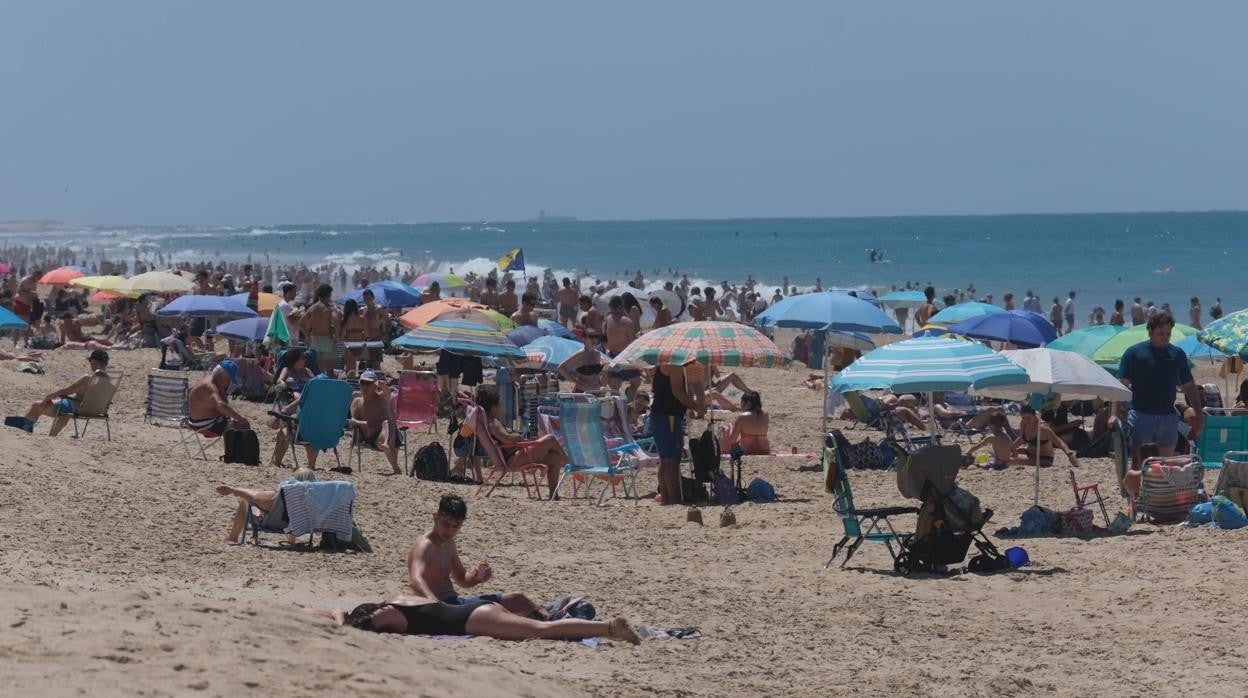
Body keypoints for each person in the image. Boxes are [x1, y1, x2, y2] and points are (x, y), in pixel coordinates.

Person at [407, 495, 544, 617]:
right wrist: (437, 607)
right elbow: (416, 579)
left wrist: (476, 577)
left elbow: (461, 579)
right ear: (435, 517)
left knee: (518, 599)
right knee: (496, 612)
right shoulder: (425, 545)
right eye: (445, 524)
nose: (450, 530)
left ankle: (547, 618)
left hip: (455, 603)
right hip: (438, 608)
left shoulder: (449, 544)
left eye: (456, 526)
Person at [309, 593, 640, 644]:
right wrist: (339, 613)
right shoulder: (395, 600)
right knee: (539, 625)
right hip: (475, 608)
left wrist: (340, 620)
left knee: (541, 630)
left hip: (471, 622)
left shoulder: (383, 619)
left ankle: (610, 627)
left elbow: (356, 631)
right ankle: (608, 626)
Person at [1111, 311, 1203, 468]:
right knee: (1140, 463)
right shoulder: (1134, 353)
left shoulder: (1177, 354)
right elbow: (1121, 385)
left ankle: (1160, 492)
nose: (1165, 336)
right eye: (1160, 333)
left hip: (1168, 417)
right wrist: (1113, 414)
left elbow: (1189, 387)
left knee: (1165, 465)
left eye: (1168, 333)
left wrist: (1199, 416)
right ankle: (1138, 492)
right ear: (1150, 332)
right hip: (1141, 416)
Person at [478, 387, 565, 495]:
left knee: (554, 458)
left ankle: (553, 494)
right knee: (550, 439)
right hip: (515, 458)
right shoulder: (493, 423)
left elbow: (506, 439)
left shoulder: (487, 422)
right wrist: (518, 436)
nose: (500, 408)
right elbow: (508, 439)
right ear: (493, 407)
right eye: (499, 405)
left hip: (516, 456)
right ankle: (569, 463)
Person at [6, 348, 112, 434]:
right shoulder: (110, 382)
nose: (90, 364)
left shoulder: (87, 379)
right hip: (96, 411)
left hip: (77, 408)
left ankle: (25, 427)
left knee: (37, 405)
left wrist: (51, 395)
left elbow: (67, 391)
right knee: (64, 406)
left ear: (94, 362)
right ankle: (52, 435)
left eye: (90, 361)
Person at [215, 468, 317, 543]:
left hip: (274, 524)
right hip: (301, 525)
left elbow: (254, 497)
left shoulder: (279, 497)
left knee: (245, 501)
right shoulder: (317, 500)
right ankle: (291, 541)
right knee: (292, 513)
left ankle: (233, 537)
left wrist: (233, 490)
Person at [651, 364, 703, 504]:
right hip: (668, 415)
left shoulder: (663, 363)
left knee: (666, 460)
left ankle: (667, 499)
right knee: (672, 461)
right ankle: (675, 499)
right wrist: (696, 406)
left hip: (662, 415)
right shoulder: (674, 365)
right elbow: (678, 392)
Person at [348, 370, 400, 474]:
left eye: (368, 383)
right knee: (386, 429)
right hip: (369, 436)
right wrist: (362, 423)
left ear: (375, 386)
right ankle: (395, 466)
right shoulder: (357, 401)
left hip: (389, 433)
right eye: (363, 382)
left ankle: (384, 443)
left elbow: (388, 395)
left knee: (387, 424)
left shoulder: (382, 398)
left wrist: (384, 387)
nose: (365, 386)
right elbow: (352, 421)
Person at [187, 360, 250, 438]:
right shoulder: (210, 387)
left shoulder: (213, 380)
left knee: (237, 424)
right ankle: (236, 450)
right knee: (241, 429)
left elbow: (225, 402)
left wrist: (233, 417)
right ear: (221, 375)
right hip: (203, 424)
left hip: (201, 420)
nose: (229, 382)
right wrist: (241, 419)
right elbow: (221, 405)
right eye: (229, 379)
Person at [604, 296, 641, 401]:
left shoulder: (608, 319)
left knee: (615, 386)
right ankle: (627, 405)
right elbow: (632, 342)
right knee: (636, 382)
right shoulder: (627, 322)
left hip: (612, 355)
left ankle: (616, 408)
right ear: (621, 306)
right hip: (625, 356)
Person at [299, 284, 337, 376]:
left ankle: (321, 388)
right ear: (328, 295)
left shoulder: (313, 308)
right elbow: (336, 324)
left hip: (315, 340)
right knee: (330, 371)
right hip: (327, 340)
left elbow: (301, 323)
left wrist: (308, 336)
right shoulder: (329, 308)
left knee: (319, 371)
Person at [723, 390, 770, 455]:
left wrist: (730, 429)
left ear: (748, 403)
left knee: (724, 432)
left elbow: (732, 440)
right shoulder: (765, 415)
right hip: (764, 450)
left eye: (742, 403)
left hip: (746, 451)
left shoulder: (742, 417)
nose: (741, 406)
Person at [338, 298, 367, 371]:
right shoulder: (362, 319)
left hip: (349, 343)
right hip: (360, 343)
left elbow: (341, 336)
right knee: (357, 364)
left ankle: (351, 380)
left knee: (350, 366)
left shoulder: (344, 320)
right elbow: (367, 334)